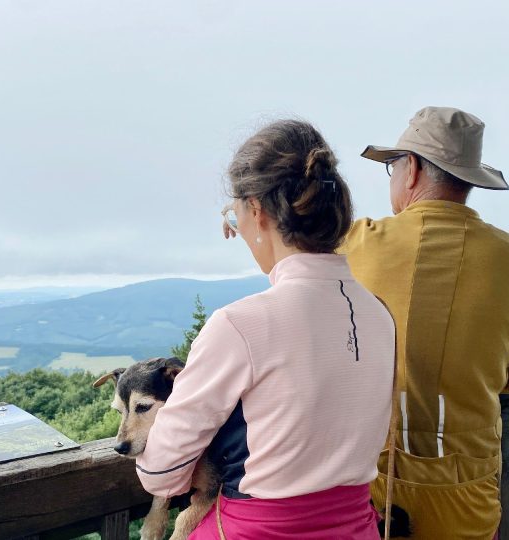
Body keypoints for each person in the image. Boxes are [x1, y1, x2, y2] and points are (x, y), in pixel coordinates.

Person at [135, 119, 396, 539]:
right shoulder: (379, 315)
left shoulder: (238, 325)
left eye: (233, 215)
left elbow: (160, 471)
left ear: (255, 210)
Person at [340, 106, 509, 539]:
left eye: (393, 165)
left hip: (368, 489)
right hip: (467, 488)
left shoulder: (356, 242)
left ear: (410, 169)